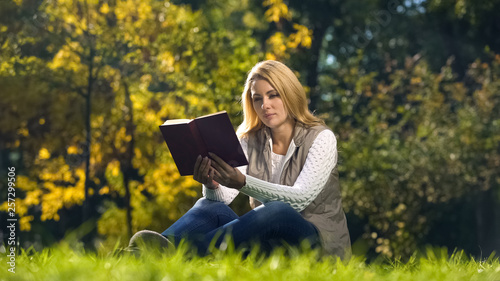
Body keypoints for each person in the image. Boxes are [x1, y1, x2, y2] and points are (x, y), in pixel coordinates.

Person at [128, 60, 351, 259]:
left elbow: (300, 199)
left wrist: (243, 182)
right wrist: (212, 184)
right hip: (268, 245)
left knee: (277, 210)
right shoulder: (248, 140)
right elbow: (223, 198)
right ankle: (138, 256)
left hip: (319, 247)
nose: (265, 105)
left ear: (290, 94)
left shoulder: (322, 138)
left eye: (273, 95)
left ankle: (182, 256)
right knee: (209, 206)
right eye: (257, 99)